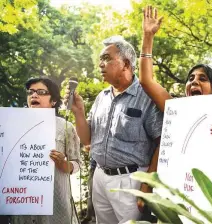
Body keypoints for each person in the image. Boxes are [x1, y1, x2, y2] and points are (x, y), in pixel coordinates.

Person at [139, 6, 212, 202]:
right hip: (179, 203)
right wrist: (148, 37)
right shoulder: (177, 111)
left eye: (203, 78)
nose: (194, 82)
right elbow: (146, 81)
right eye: (190, 78)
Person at [66, 35, 163, 223]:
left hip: (131, 181)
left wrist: (148, 183)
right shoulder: (101, 97)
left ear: (126, 64)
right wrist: (78, 112)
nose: (100, 64)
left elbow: (162, 143)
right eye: (100, 59)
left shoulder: (146, 96)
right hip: (100, 177)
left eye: (106, 58)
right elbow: (87, 140)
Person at [12, 77, 81, 224]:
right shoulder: (11, 125)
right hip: (22, 201)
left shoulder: (65, 127)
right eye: (30, 92)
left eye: (41, 92)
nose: (34, 95)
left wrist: (64, 164)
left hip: (56, 203)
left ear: (53, 101)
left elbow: (77, 164)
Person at [81, 145, 96, 224]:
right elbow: (86, 146)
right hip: (94, 168)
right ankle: (90, 218)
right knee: (92, 196)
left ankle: (92, 219)